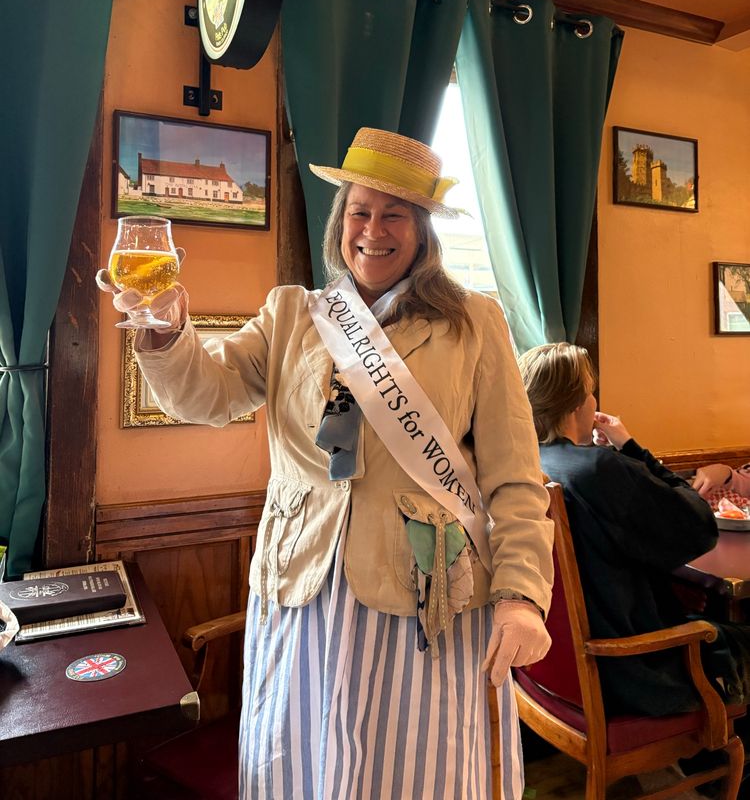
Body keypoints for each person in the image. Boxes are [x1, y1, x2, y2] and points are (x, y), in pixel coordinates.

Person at [97, 127, 554, 800]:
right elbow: (206, 395)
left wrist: (522, 595)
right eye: (360, 211)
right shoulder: (291, 313)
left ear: (423, 231)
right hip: (302, 587)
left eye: (395, 214)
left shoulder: (474, 323)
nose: (374, 230)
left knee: (414, 773)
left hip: (423, 595)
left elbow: (515, 478)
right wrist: (165, 328)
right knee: (298, 767)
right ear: (340, 221)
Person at [517, 341, 749, 719]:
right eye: (591, 391)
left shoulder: (533, 464)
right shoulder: (596, 469)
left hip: (554, 670)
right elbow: (699, 526)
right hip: (635, 672)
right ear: (576, 403)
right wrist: (629, 445)